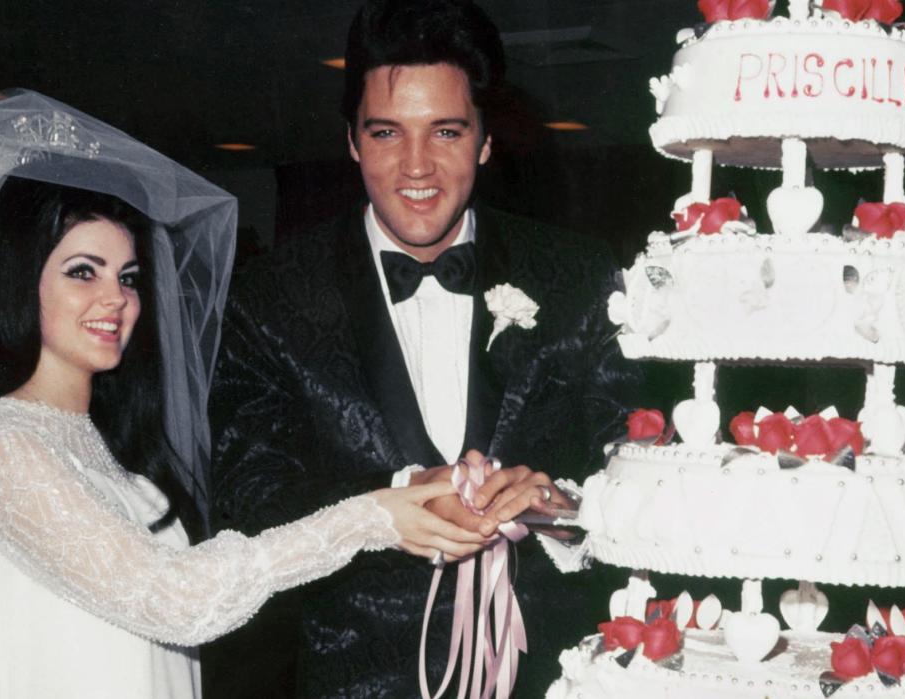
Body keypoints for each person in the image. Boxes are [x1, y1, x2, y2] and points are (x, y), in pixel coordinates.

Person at [0, 91, 487, 699]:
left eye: (127, 277)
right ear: (20, 284)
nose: (115, 299)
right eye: (82, 272)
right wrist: (368, 519)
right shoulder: (1, 448)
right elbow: (177, 601)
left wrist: (408, 495)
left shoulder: (104, 440)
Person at [206, 0, 640, 695]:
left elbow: (641, 459)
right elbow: (248, 494)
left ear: (486, 140)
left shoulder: (578, 274)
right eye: (386, 133)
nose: (417, 166)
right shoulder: (271, 296)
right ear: (351, 141)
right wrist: (391, 501)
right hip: (354, 678)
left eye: (445, 131)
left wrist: (558, 503)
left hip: (550, 676)